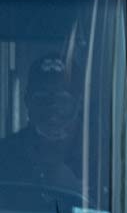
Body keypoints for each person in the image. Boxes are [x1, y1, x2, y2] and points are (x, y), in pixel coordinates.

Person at [0, 52, 82, 192]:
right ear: (27, 101)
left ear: (77, 105)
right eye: (42, 99)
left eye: (62, 100)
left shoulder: (95, 157)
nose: (52, 113)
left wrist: (74, 187)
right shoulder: (5, 154)